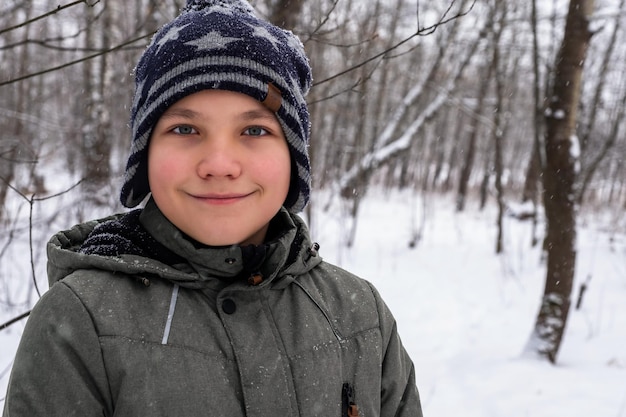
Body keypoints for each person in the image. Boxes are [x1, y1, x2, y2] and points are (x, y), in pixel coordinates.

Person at [2, 0, 423, 416]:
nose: (219, 165)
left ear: (293, 158)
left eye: (254, 129)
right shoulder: (81, 321)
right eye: (185, 128)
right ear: (144, 157)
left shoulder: (359, 314)